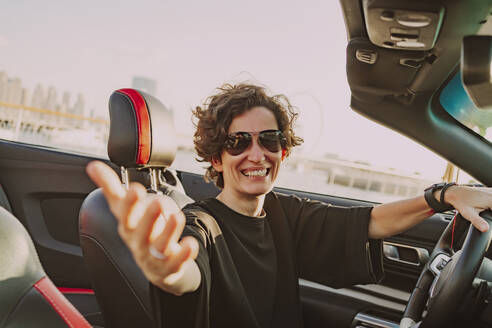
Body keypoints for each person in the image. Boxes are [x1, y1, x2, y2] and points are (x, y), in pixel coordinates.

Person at [87, 83, 492, 328]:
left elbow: (369, 222)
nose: (256, 154)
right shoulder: (201, 224)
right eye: (237, 142)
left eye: (269, 139)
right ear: (215, 158)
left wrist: (443, 195)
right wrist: (167, 269)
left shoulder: (282, 213)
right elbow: (187, 269)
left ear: (284, 149)